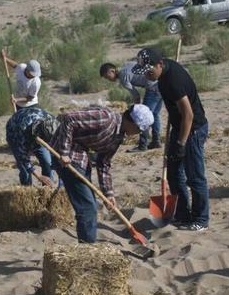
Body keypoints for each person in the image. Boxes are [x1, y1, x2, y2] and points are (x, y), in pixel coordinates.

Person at [40, 104, 154, 243]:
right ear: (132, 122)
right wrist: (64, 152)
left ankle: (88, 244)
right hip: (66, 156)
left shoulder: (118, 137)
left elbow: (104, 163)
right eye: (139, 129)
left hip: (81, 156)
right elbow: (69, 119)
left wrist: (109, 193)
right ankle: (88, 250)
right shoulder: (105, 119)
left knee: (90, 204)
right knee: (88, 207)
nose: (138, 133)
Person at [133, 47, 210, 231]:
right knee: (174, 174)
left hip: (193, 129)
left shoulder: (173, 80)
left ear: (160, 64)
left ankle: (201, 219)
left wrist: (181, 143)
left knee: (195, 177)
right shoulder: (162, 75)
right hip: (180, 128)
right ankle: (183, 214)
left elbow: (188, 115)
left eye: (149, 72)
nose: (147, 76)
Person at [99, 62, 163, 151]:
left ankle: (142, 145)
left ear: (112, 71)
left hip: (152, 88)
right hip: (160, 85)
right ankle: (156, 141)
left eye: (107, 76)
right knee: (155, 114)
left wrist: (136, 110)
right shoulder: (126, 66)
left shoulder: (123, 77)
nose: (108, 79)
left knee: (142, 117)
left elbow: (136, 95)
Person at [5, 107, 56, 187]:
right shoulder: (22, 132)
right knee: (25, 170)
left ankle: (48, 189)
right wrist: (39, 176)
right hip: (14, 131)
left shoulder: (52, 122)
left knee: (47, 162)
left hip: (36, 131)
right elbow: (23, 159)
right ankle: (27, 188)